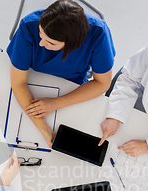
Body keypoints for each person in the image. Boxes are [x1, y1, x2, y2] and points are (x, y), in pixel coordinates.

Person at [7, 0, 115, 147]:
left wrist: (56, 103)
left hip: (72, 88)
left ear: (73, 44)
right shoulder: (28, 26)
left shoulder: (98, 33)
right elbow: (18, 82)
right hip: (32, 77)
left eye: (50, 43)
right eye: (40, 34)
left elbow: (103, 83)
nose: (41, 44)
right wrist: (44, 128)